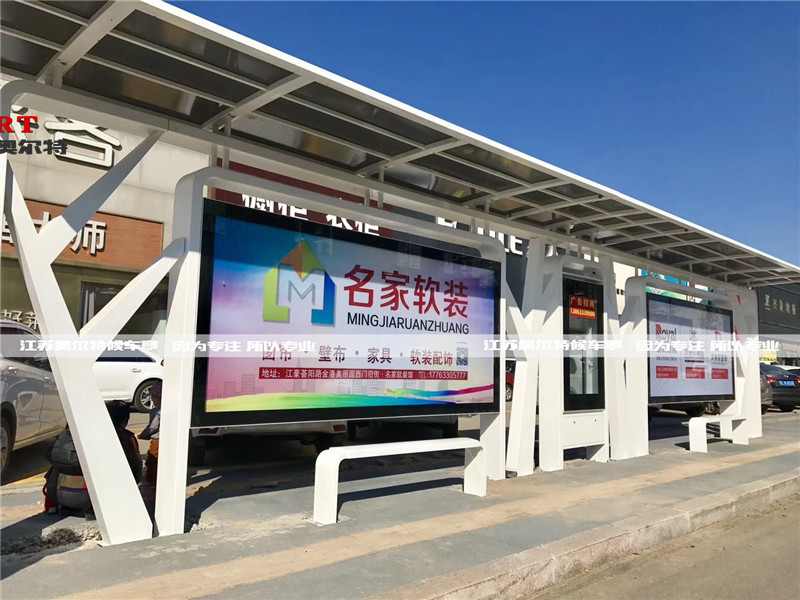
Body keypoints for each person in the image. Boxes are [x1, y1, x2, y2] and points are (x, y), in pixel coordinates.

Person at [44, 401, 143, 515]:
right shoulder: (123, 437)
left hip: (56, 496)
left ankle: (52, 507)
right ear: (125, 421)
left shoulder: (65, 437)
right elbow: (135, 467)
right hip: (93, 500)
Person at [138, 381, 161, 485]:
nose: (152, 400)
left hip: (156, 440)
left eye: (153, 397)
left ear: (158, 398)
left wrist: (144, 434)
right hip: (167, 440)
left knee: (152, 461)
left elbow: (152, 427)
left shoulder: (156, 411)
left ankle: (151, 481)